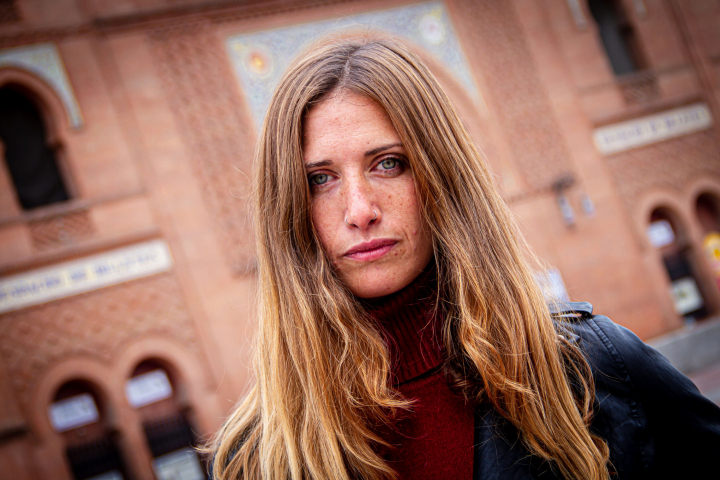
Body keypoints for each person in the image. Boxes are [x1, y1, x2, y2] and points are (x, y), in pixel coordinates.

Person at [207, 37, 720, 480]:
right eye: (320, 179)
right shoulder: (254, 457)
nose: (359, 211)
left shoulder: (592, 367)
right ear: (288, 208)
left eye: (389, 164)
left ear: (442, 176)